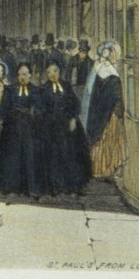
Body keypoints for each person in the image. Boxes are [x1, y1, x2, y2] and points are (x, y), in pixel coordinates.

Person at [40, 55, 91, 196]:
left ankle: (74, 185)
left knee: (72, 154)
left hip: (68, 125)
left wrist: (73, 118)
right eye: (49, 72)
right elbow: (41, 109)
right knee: (54, 156)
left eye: (55, 71)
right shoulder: (43, 89)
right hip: (52, 127)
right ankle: (55, 186)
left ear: (60, 71)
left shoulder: (66, 86)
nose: (52, 74)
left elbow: (75, 103)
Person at [0, 62, 44, 199]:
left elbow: (39, 108)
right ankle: (10, 186)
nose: (22, 77)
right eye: (20, 74)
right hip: (13, 128)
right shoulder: (10, 90)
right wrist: (2, 120)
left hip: (29, 129)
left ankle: (31, 188)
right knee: (12, 157)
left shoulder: (35, 90)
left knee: (30, 156)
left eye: (25, 74)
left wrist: (34, 111)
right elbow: (4, 108)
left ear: (30, 75)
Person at [84, 41, 126, 178]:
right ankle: (105, 169)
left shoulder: (98, 67)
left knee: (101, 139)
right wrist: (118, 109)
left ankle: (98, 169)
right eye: (113, 53)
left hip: (98, 111)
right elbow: (115, 95)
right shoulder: (109, 72)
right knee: (107, 140)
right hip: (109, 112)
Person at [67, 39, 94, 103]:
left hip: (85, 86)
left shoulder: (90, 61)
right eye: (82, 53)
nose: (84, 55)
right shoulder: (73, 60)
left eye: (85, 53)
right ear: (79, 51)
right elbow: (68, 74)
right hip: (74, 86)